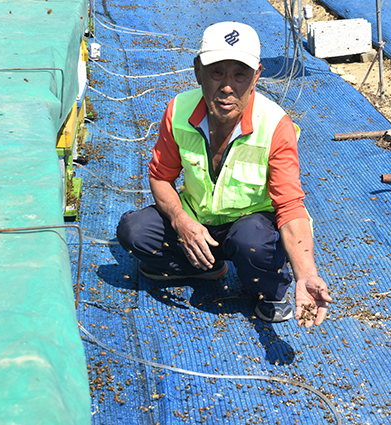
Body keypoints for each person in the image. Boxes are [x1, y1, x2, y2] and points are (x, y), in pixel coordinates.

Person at [116, 21, 331, 327]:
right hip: (199, 218)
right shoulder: (178, 111)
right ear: (197, 71)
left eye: (239, 74)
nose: (228, 86)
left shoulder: (274, 125)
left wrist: (306, 274)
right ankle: (206, 265)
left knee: (252, 241)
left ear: (256, 76)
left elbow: (290, 206)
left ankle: (272, 287)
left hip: (252, 225)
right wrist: (182, 222)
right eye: (217, 72)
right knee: (134, 231)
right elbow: (161, 177)